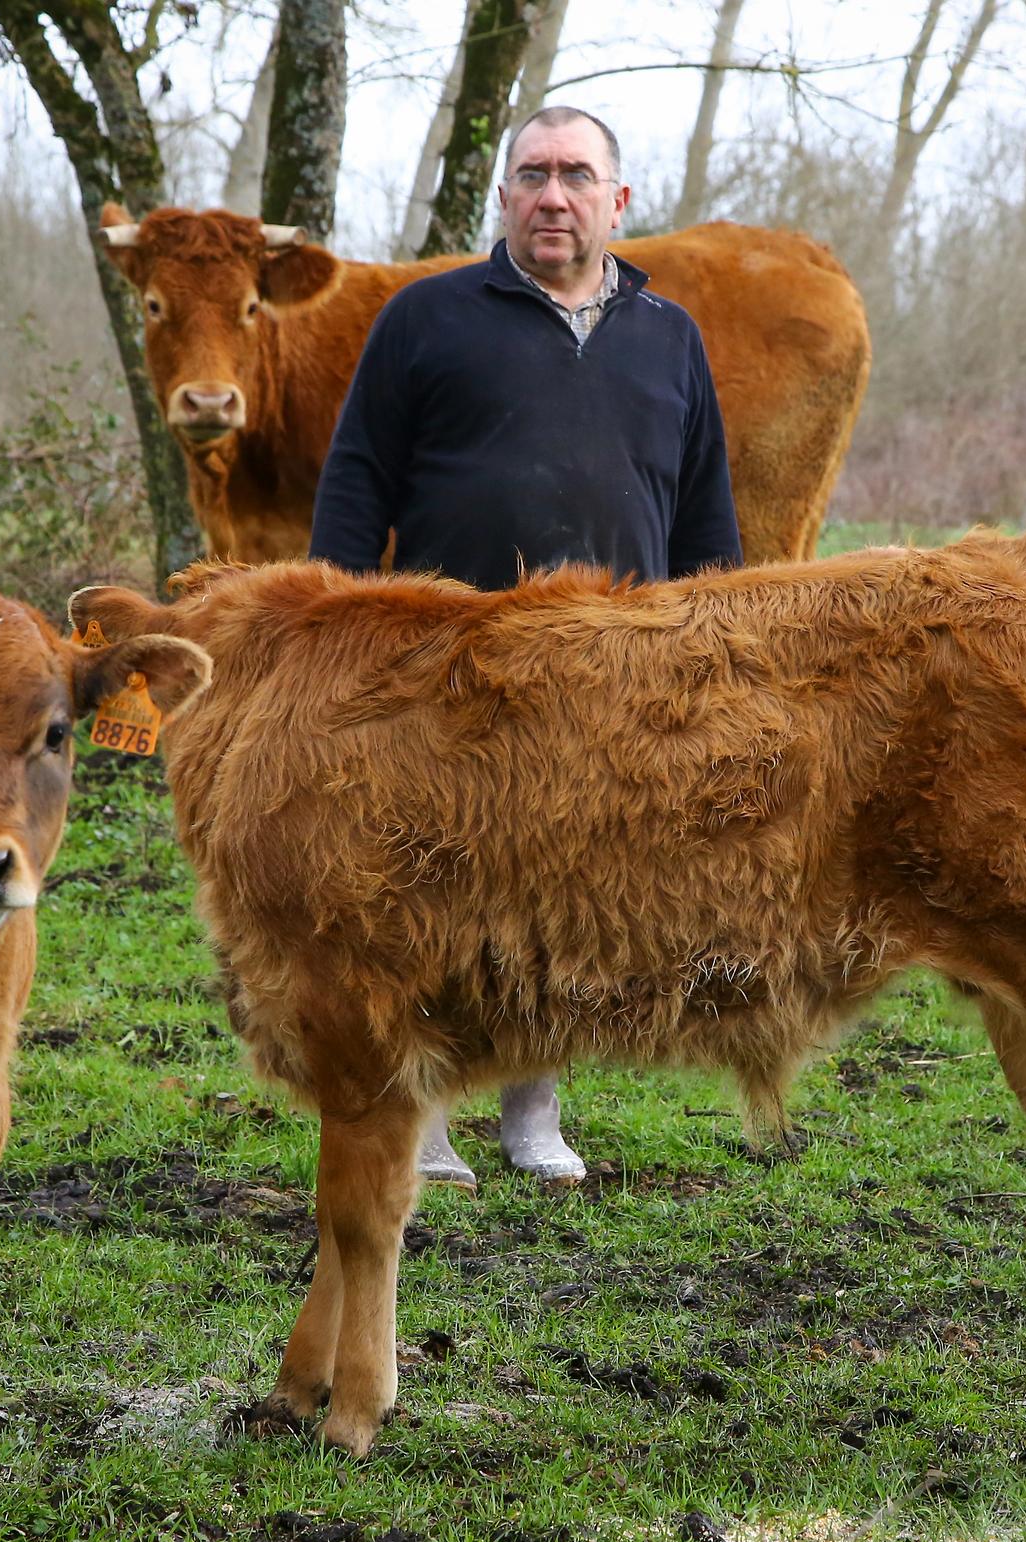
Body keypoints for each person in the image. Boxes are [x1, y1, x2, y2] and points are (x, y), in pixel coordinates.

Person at [308, 104, 742, 1188]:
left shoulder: (670, 336)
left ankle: (533, 1114)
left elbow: (704, 518)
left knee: (569, 893)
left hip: (613, 671)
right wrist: (332, 633)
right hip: (453, 665)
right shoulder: (425, 320)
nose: (554, 195)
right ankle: (434, 1117)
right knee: (441, 889)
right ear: (503, 196)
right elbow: (356, 480)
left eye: (576, 176)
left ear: (617, 200)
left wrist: (715, 653)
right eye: (534, 174)